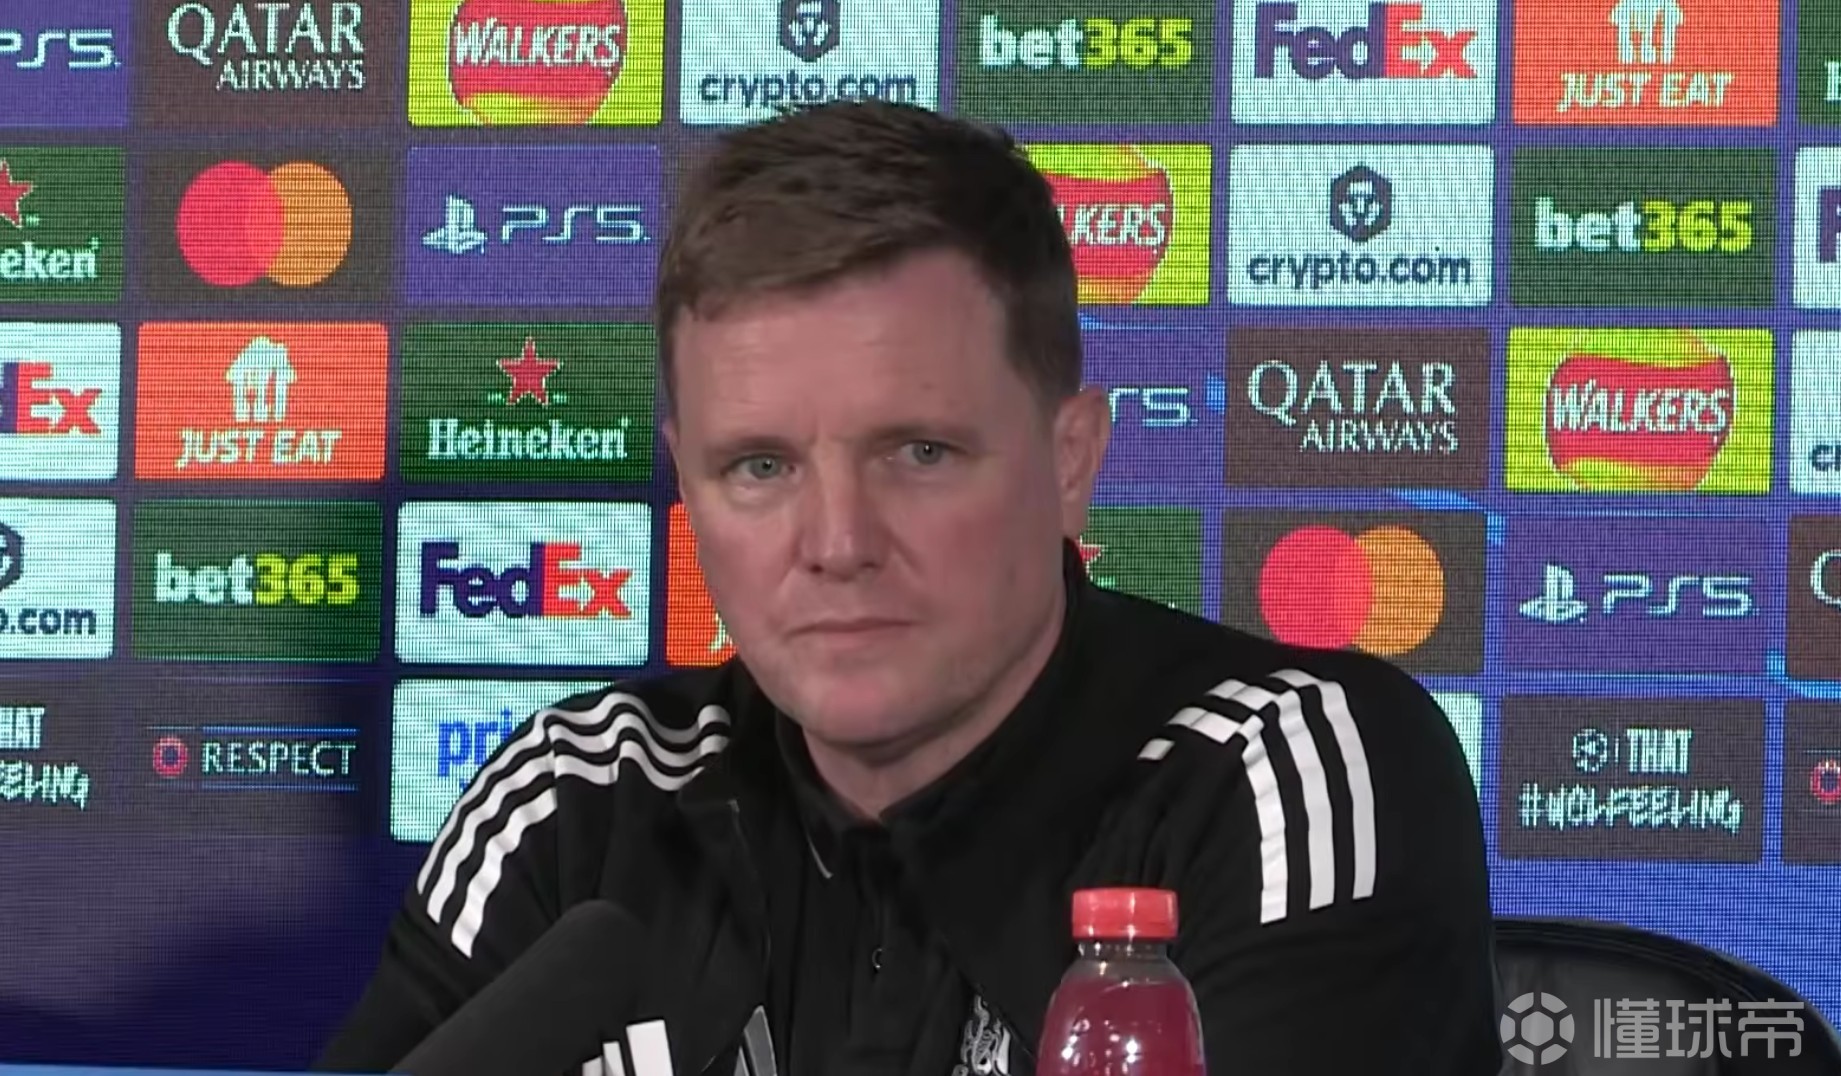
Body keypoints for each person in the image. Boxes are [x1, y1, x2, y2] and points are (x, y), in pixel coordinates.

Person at [317, 101, 1501, 1076]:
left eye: (918, 452)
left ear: (1070, 461)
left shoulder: (1280, 773)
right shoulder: (576, 802)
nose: (836, 541)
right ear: (686, 485)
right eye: (759, 466)